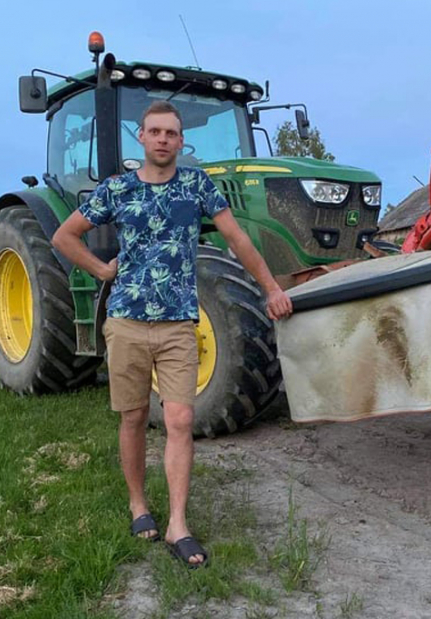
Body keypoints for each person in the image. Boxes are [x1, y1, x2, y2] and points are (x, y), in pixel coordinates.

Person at [52, 100, 293, 567]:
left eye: (172, 133)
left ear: (182, 142)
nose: (163, 139)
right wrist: (103, 270)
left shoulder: (197, 185)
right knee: (133, 418)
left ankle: (177, 523)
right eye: (155, 131)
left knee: (180, 420)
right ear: (141, 138)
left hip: (180, 324)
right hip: (125, 323)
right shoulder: (116, 189)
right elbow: (64, 237)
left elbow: (238, 238)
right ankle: (138, 504)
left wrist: (270, 288)